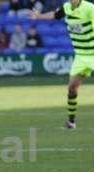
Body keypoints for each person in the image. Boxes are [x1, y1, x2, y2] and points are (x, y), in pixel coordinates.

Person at [30, 0, 94, 129]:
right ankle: (71, 122)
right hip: (80, 56)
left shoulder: (90, 8)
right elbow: (55, 14)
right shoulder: (66, 7)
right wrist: (39, 16)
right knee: (72, 88)